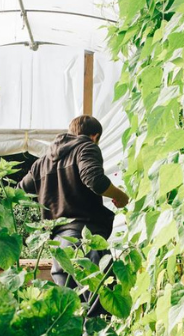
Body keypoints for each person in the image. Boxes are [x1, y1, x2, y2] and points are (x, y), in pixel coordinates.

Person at [18, 115, 129, 317]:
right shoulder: (86, 147)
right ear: (94, 136)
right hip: (84, 240)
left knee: (72, 314)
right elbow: (94, 179)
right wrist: (120, 196)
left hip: (58, 249)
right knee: (101, 306)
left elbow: (19, 193)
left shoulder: (41, 163)